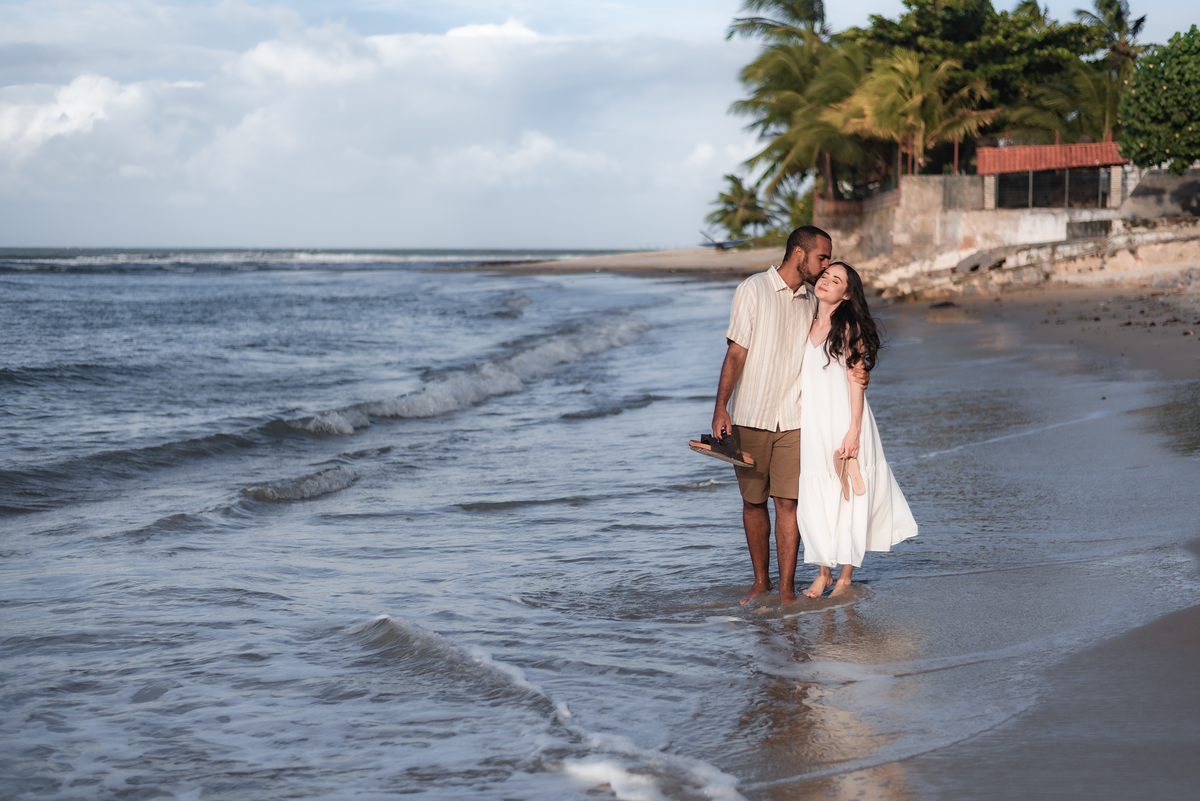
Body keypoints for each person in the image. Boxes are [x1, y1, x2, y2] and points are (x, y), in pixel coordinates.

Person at [711, 226, 867, 604]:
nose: (825, 265)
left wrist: (860, 367)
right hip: (751, 414)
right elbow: (736, 352)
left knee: (789, 503)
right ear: (800, 254)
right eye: (821, 257)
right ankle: (760, 582)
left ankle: (786, 588)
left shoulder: (814, 299)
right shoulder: (753, 289)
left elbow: (841, 335)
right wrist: (721, 407)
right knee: (753, 502)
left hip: (797, 420)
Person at [795, 262, 918, 599]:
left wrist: (854, 431)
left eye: (836, 280)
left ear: (847, 294)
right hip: (814, 424)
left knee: (849, 492)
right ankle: (823, 573)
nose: (826, 281)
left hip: (846, 419)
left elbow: (855, 381)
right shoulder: (806, 321)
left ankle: (845, 578)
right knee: (817, 495)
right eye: (825, 275)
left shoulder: (849, 327)